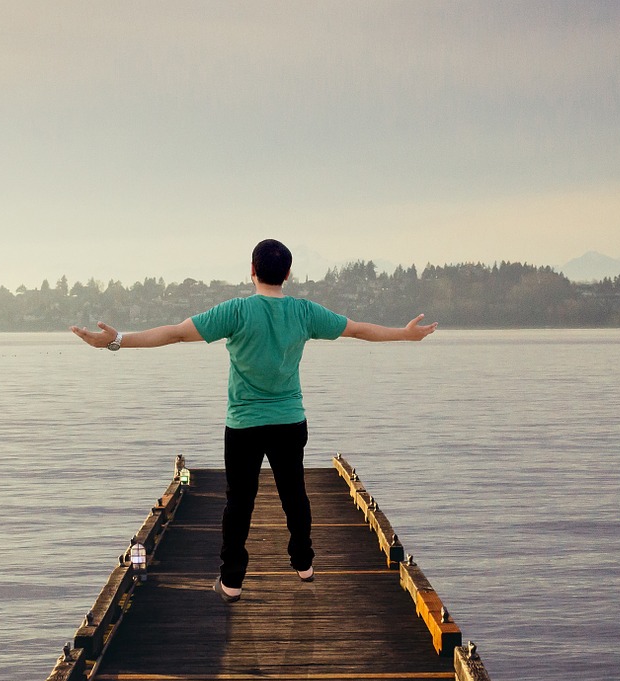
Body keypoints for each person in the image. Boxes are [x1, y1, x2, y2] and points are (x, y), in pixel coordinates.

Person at [71, 239, 437, 603]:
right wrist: (405, 334)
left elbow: (175, 333)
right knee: (294, 493)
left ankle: (232, 582)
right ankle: (304, 564)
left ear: (252, 270)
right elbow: (357, 329)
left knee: (239, 502)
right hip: (289, 421)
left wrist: (115, 341)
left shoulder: (236, 312)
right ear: (288, 274)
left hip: (244, 425)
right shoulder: (304, 313)